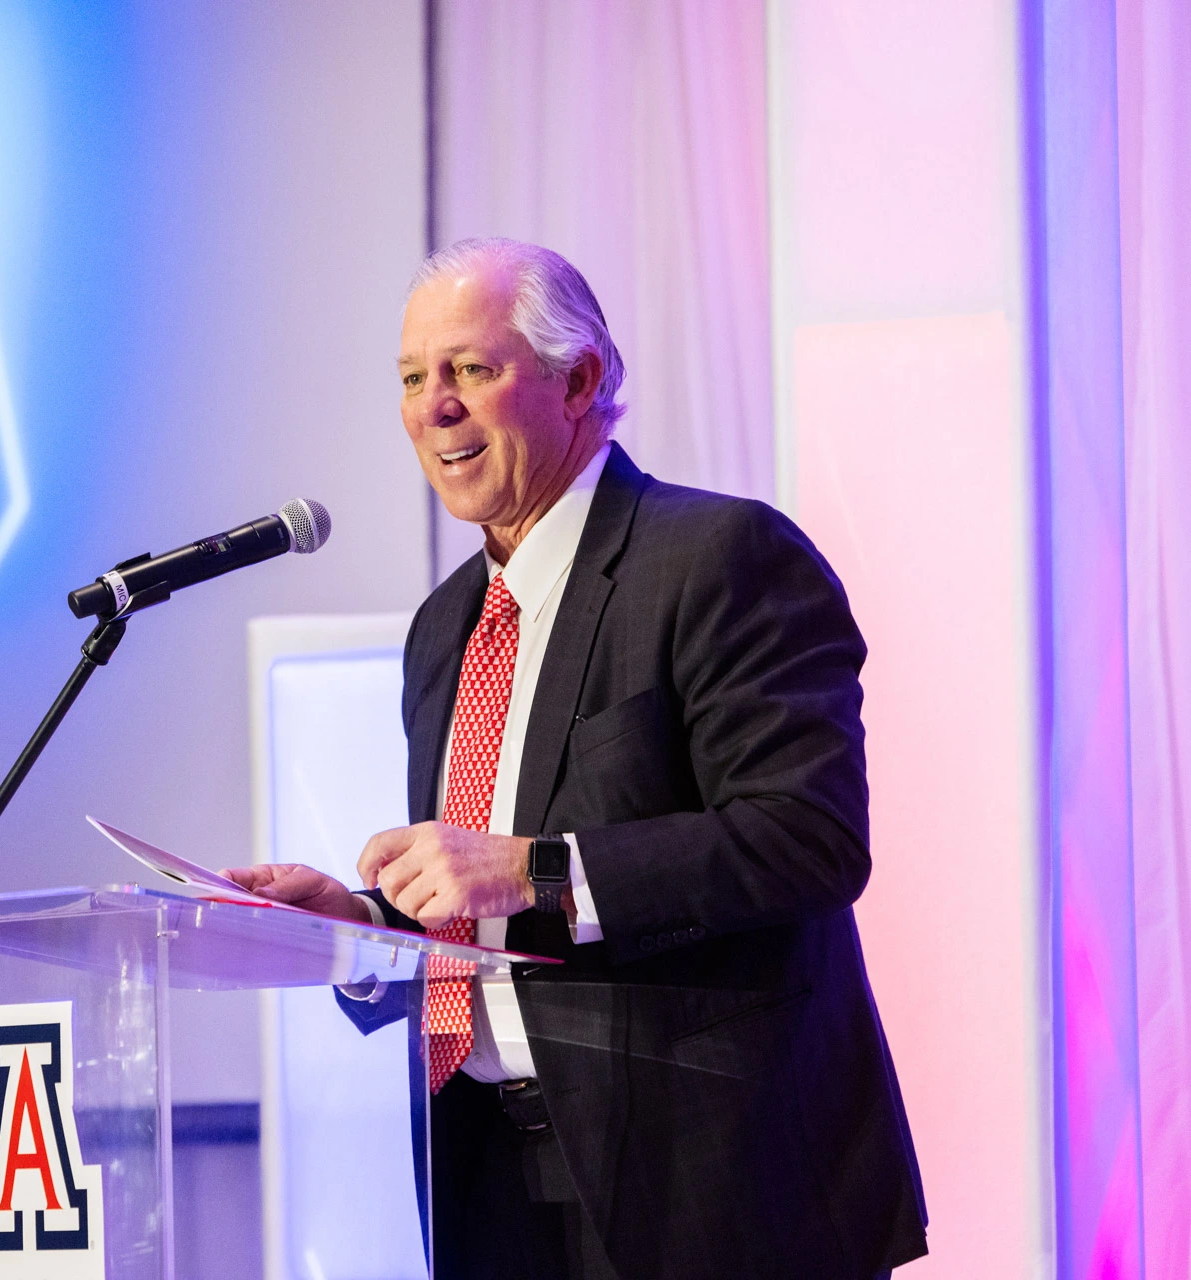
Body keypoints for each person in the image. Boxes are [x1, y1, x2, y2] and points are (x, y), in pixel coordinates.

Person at [226, 238, 926, 1280]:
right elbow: (480, 902)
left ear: (582, 379)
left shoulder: (721, 558)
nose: (434, 407)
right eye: (413, 378)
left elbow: (808, 839)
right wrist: (363, 921)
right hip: (487, 1178)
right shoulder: (444, 627)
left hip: (710, 1186)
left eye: (471, 368)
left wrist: (533, 867)